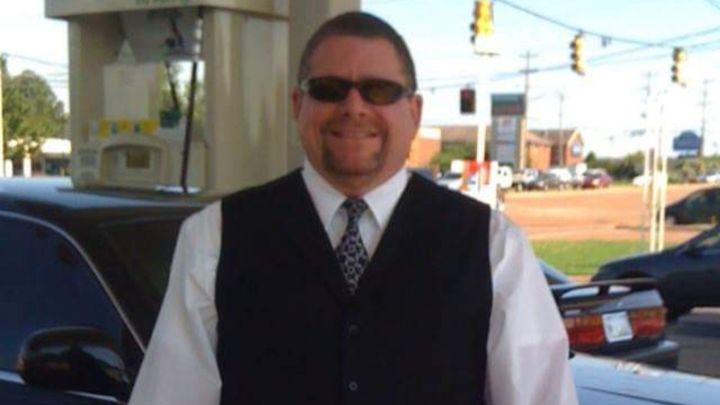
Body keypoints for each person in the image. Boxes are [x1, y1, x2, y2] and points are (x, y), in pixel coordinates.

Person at [129, 11, 577, 405]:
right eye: (329, 89)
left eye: (379, 90)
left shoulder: (493, 247)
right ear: (298, 105)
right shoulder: (216, 237)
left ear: (414, 111)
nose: (354, 107)